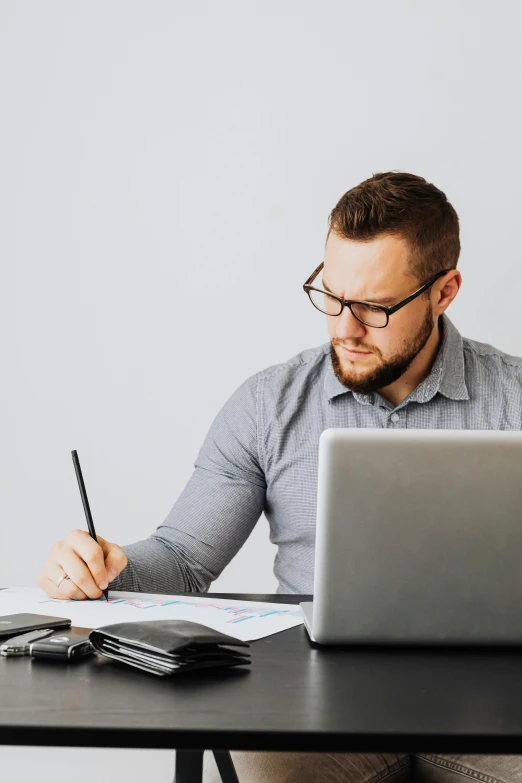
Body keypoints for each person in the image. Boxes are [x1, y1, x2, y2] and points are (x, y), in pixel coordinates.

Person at [38, 171, 522, 783]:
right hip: (315, 710)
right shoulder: (270, 404)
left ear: (444, 291)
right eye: (331, 295)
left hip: (495, 709)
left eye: (374, 307)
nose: (344, 327)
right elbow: (185, 559)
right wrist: (105, 565)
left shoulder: (516, 399)